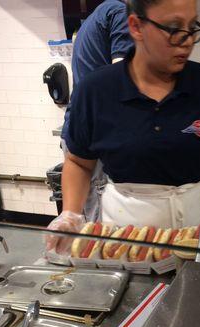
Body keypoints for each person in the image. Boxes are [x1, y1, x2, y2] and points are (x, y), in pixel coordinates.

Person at [47, 0, 200, 254]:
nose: (187, 39)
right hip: (125, 242)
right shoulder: (96, 90)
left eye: (191, 26)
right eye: (174, 27)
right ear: (136, 26)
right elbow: (78, 162)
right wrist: (70, 214)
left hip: (198, 234)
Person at [61, 0, 133, 222]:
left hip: (79, 128)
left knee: (88, 212)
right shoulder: (120, 13)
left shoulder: (98, 14)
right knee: (98, 218)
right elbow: (119, 77)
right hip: (97, 134)